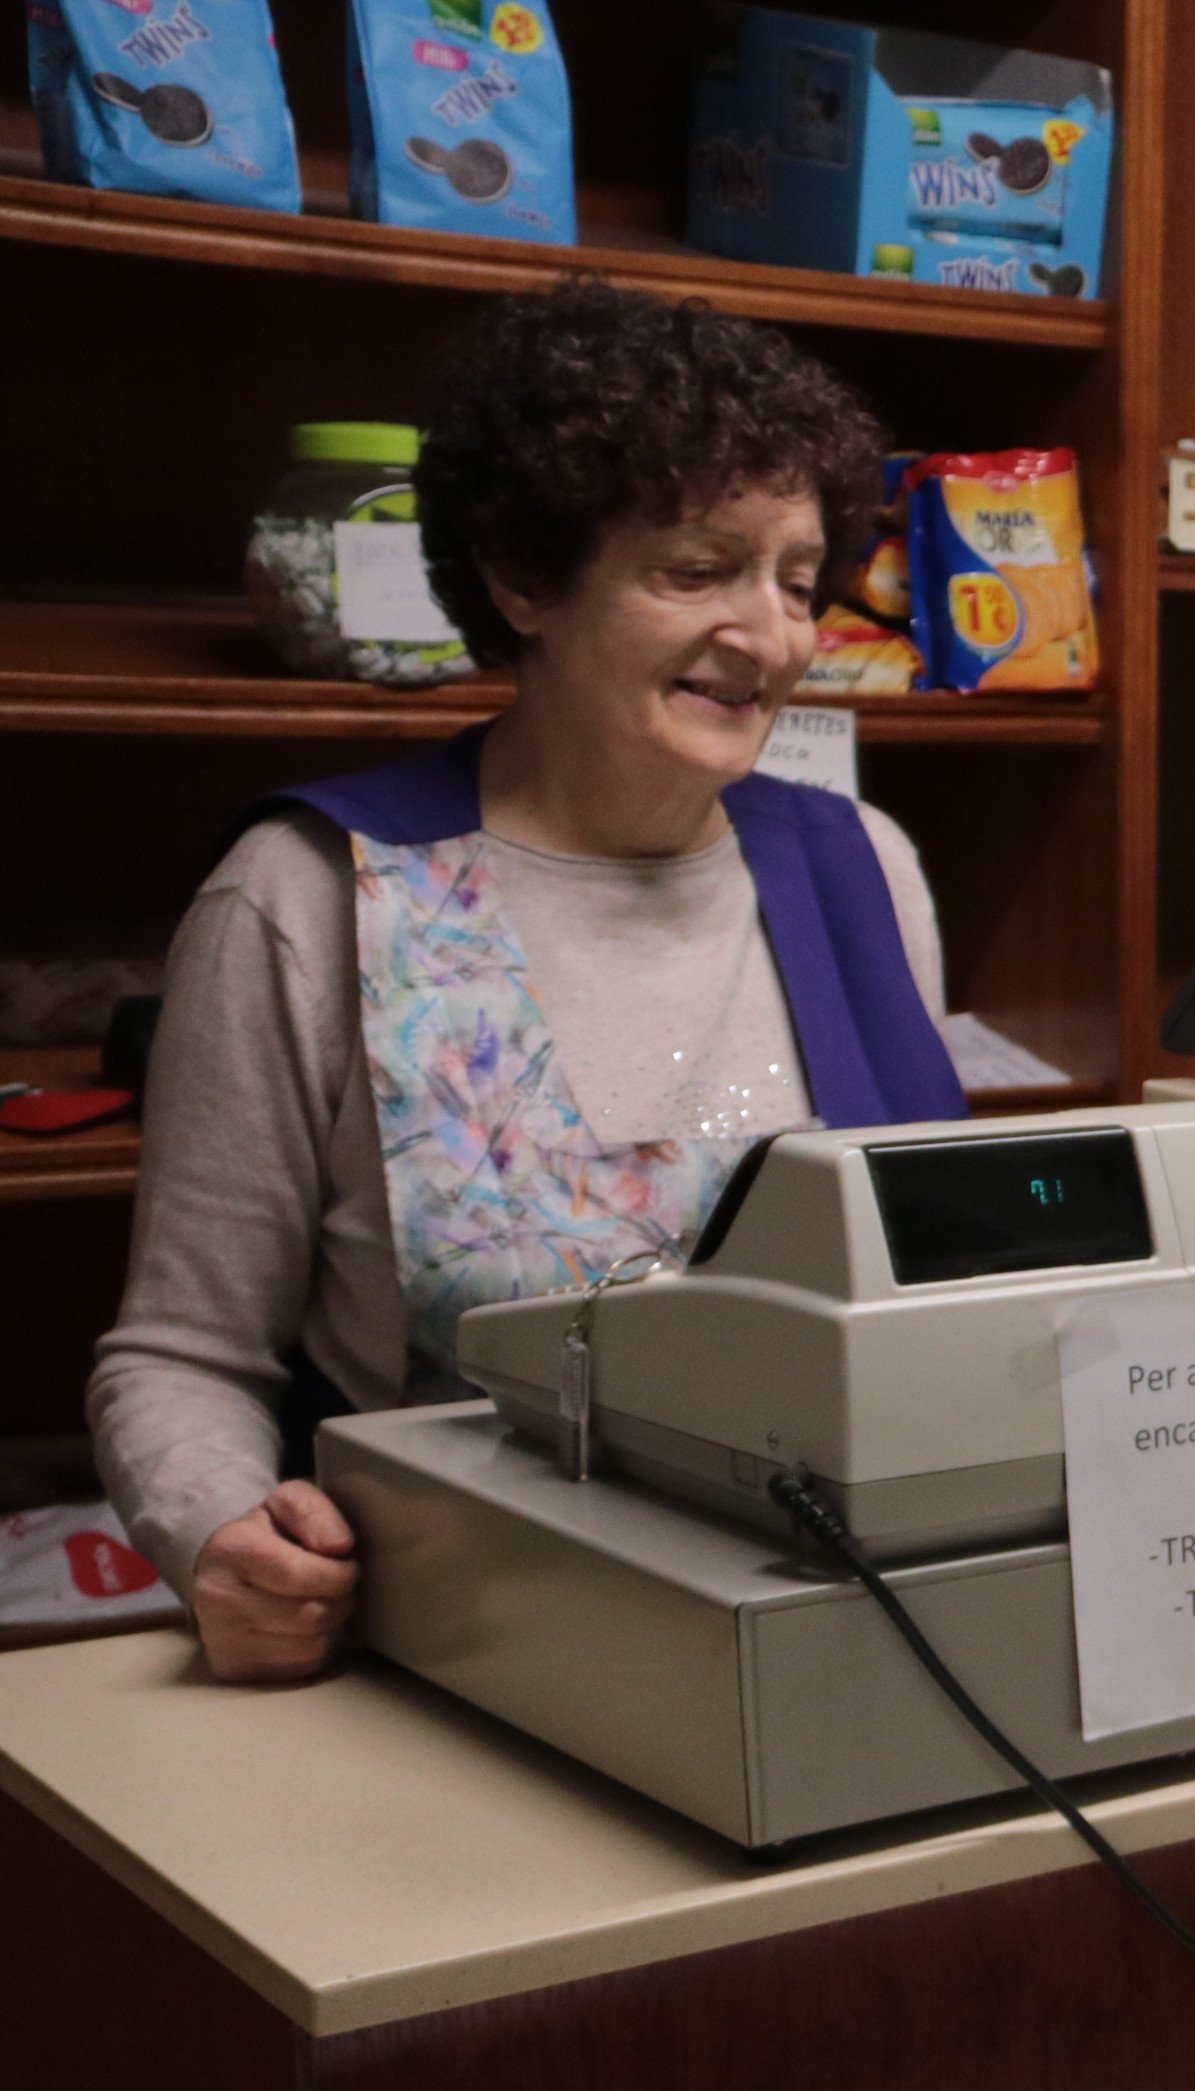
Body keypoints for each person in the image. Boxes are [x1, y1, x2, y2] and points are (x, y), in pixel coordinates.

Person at [89, 279, 963, 1685]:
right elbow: (181, 1356)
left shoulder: (865, 869)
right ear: (523, 579)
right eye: (697, 570)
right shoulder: (310, 894)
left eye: (797, 581)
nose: (773, 636)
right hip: (463, 1662)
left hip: (850, 1645)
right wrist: (221, 1537)